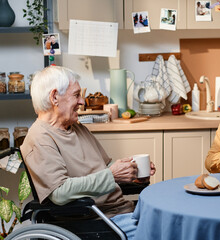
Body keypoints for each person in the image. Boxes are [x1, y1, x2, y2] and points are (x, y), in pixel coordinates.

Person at [20, 66, 156, 239]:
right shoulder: (39, 138)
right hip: (99, 220)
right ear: (54, 97)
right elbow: (60, 193)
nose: (82, 102)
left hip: (121, 211)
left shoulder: (77, 127)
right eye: (76, 95)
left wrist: (132, 173)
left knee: (173, 218)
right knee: (168, 231)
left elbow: (104, 168)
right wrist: (112, 176)